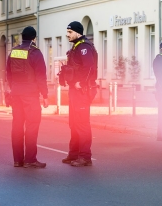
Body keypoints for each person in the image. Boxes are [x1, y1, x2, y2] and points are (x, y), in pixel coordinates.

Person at [6, 26, 49, 168]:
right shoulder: (35, 53)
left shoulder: (13, 51)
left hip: (16, 94)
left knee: (17, 125)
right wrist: (45, 95)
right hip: (30, 95)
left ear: (22, 37)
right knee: (32, 125)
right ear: (34, 38)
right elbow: (41, 76)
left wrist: (14, 88)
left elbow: (9, 73)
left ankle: (17, 160)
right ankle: (30, 159)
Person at [59, 21, 98, 167]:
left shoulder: (84, 47)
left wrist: (81, 83)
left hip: (82, 90)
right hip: (75, 91)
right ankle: (74, 154)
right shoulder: (76, 46)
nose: (67, 34)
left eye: (70, 32)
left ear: (77, 32)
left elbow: (89, 68)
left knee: (82, 124)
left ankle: (85, 157)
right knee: (73, 123)